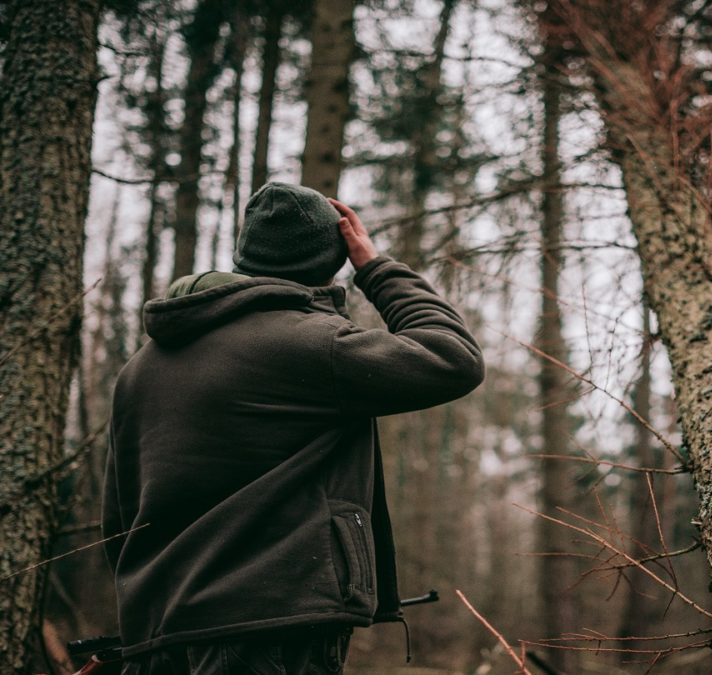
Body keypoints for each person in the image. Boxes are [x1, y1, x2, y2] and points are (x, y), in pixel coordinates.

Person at [102, 182, 485, 674]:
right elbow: (455, 359)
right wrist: (376, 267)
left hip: (157, 631)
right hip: (270, 626)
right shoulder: (314, 346)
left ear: (244, 255)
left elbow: (118, 517)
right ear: (331, 259)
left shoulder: (139, 368)